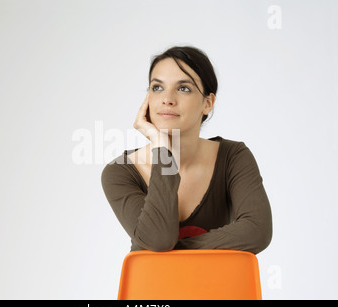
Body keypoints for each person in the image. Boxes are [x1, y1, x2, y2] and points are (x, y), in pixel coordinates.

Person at [100, 46, 272, 254]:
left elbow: (257, 231)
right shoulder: (120, 172)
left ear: (207, 104)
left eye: (184, 88)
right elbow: (159, 239)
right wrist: (161, 148)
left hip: (217, 286)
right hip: (151, 287)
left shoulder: (233, 157)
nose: (167, 99)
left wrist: (176, 252)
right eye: (157, 88)